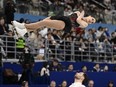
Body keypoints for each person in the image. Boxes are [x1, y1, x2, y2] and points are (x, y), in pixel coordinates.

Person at [12, 10, 96, 38]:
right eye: (92, 19)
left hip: (65, 25)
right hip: (62, 18)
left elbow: (77, 20)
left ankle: (23, 25)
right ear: (90, 16)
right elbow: (69, 15)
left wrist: (82, 14)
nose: (91, 21)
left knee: (44, 22)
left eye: (92, 22)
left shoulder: (85, 24)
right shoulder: (78, 12)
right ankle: (24, 32)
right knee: (42, 22)